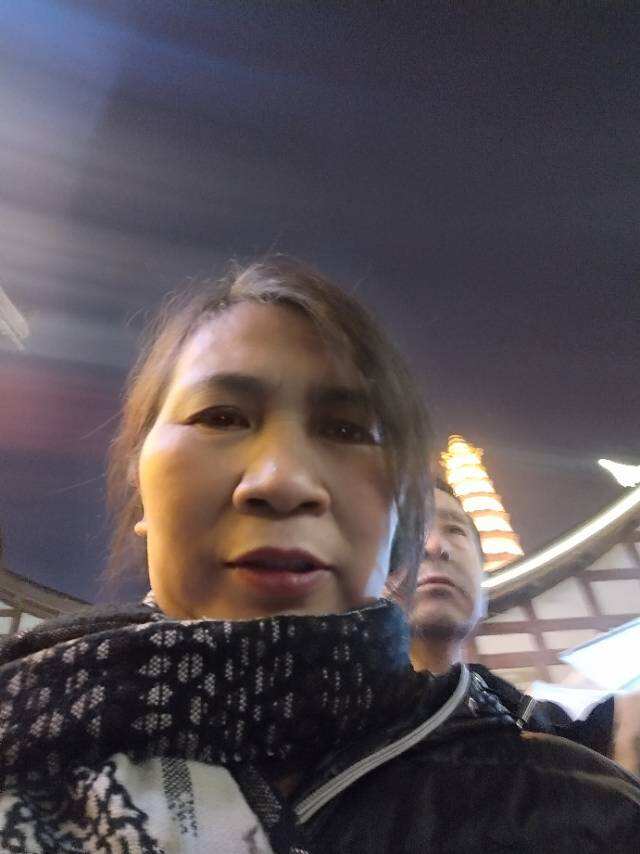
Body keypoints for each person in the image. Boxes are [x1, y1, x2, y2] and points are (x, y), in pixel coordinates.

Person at [0, 258, 638, 854]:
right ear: (141, 484)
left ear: (397, 519)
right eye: (220, 416)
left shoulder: (579, 815)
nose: (282, 481)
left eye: (346, 430)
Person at [409, 477, 640, 775]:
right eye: (407, 532)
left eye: (455, 529)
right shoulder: (351, 729)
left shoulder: (529, 722)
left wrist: (625, 733)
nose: (434, 546)